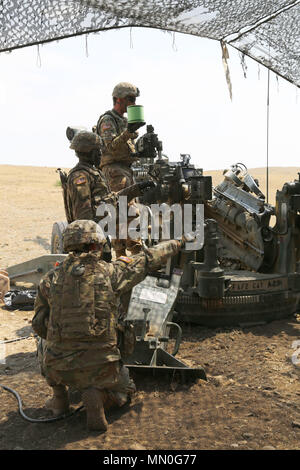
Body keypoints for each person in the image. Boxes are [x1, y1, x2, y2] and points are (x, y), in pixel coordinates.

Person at [32, 220, 182, 431]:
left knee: (42, 339)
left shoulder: (50, 279)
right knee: (126, 390)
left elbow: (38, 325)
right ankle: (101, 397)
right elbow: (148, 258)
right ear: (97, 245)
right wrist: (177, 242)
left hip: (58, 368)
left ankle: (59, 399)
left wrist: (63, 330)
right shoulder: (112, 273)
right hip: (104, 368)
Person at [95, 82, 145, 257]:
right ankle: (136, 252)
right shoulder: (108, 120)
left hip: (125, 169)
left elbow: (125, 148)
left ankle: (122, 257)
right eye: (130, 99)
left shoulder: (123, 121)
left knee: (121, 212)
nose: (133, 103)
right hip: (114, 171)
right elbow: (110, 148)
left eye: (135, 99)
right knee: (126, 210)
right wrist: (128, 133)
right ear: (118, 99)